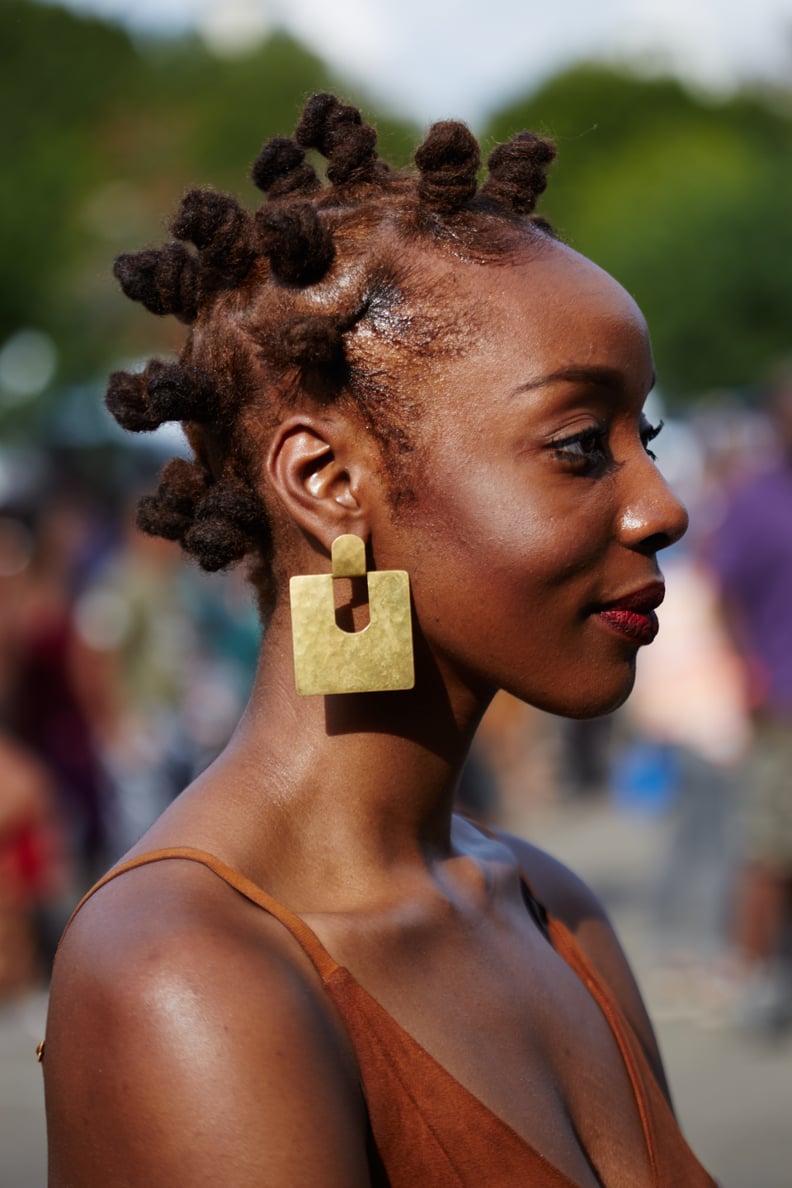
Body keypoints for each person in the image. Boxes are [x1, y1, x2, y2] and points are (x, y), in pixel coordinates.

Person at [41, 94, 714, 1186]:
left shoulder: (553, 910)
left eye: (651, 436)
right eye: (584, 444)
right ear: (327, 483)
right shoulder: (187, 975)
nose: (663, 507)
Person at [710, 367, 792, 1031]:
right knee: (773, 846)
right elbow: (721, 591)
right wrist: (745, 667)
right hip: (783, 701)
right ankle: (756, 974)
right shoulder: (754, 499)